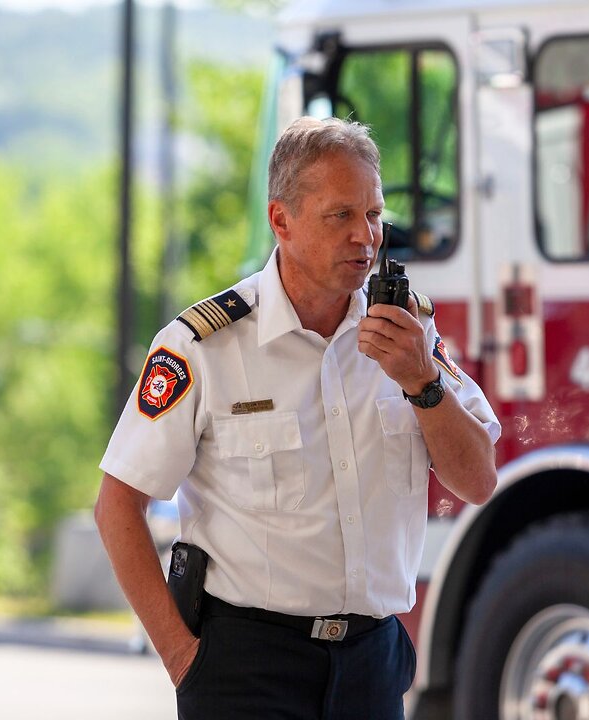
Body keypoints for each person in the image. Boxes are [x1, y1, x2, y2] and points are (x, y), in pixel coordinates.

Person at [93, 116, 501, 719]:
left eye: (374, 214)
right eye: (341, 216)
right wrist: (182, 658)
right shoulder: (206, 345)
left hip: (371, 666)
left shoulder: (409, 333)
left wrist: (423, 382)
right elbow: (117, 504)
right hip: (247, 669)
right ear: (281, 219)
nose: (366, 237)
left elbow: (477, 481)